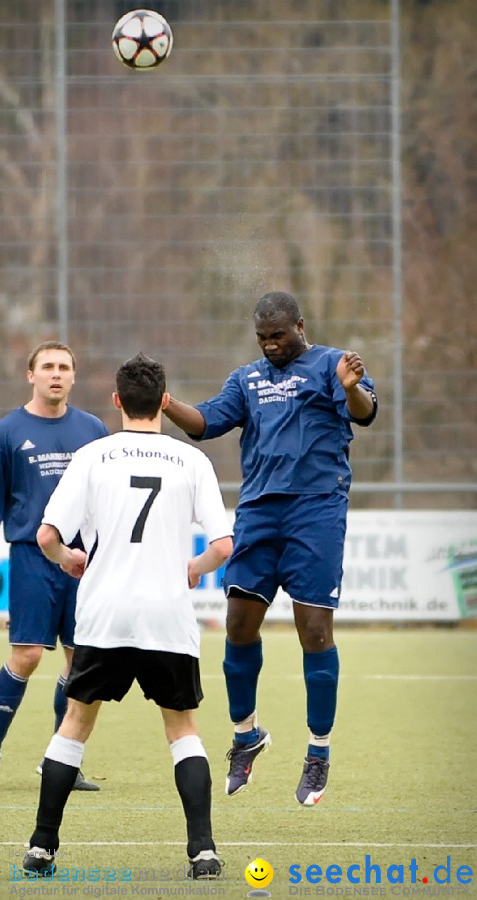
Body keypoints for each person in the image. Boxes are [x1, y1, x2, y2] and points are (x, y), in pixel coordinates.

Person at [21, 352, 233, 880]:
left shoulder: (93, 456)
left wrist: (67, 558)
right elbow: (224, 546)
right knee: (182, 729)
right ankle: (202, 852)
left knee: (75, 724)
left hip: (105, 615)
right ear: (164, 401)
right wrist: (194, 567)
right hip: (166, 617)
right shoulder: (193, 462)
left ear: (117, 400)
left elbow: (47, 536)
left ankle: (42, 848)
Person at [163, 291, 378, 805]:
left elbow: (365, 411)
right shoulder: (246, 378)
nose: (270, 345)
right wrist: (167, 405)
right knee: (238, 626)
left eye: (278, 335)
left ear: (300, 326)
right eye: (262, 338)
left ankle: (318, 752)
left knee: (315, 631)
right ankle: (246, 737)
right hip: (259, 512)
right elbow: (207, 423)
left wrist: (351, 390)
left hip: (316, 511)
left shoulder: (332, 364)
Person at [0, 340, 108, 793]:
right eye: (47, 366)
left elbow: (109, 497)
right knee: (25, 656)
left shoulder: (94, 429)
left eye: (64, 367)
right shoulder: (5, 433)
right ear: (31, 375)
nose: (56, 374)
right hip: (31, 556)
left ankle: (58, 759)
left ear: (73, 376)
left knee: (79, 663)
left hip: (84, 561)